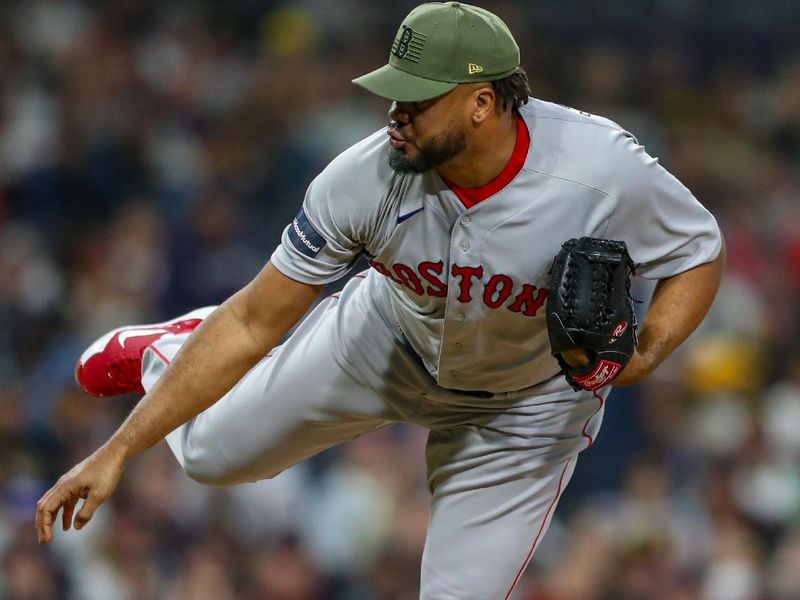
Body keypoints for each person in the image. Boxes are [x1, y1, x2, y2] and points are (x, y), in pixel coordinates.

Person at [35, 2, 725, 598]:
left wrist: (644, 353)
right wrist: (117, 452)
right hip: (385, 340)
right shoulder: (365, 176)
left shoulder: (599, 168)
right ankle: (173, 346)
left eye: (417, 99)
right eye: (395, 93)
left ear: (481, 103)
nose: (395, 113)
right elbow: (251, 319)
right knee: (213, 455)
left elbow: (697, 249)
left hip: (527, 408)